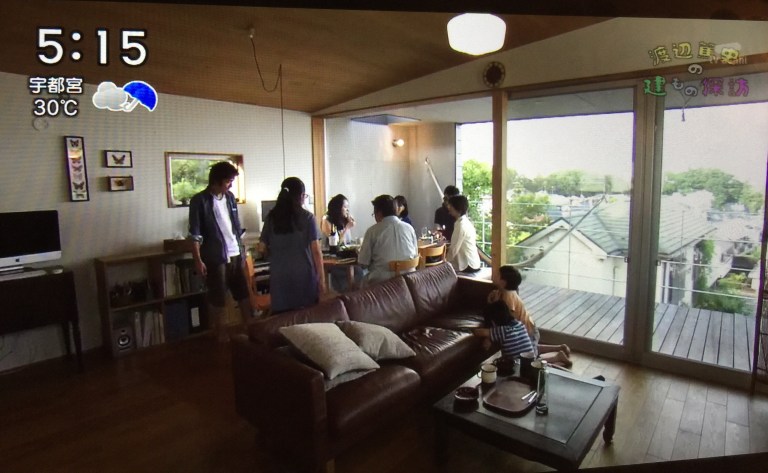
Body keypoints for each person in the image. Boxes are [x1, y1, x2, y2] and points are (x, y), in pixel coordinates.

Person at [188, 161, 253, 342]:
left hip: (235, 253)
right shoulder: (199, 201)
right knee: (218, 297)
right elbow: (195, 233)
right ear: (217, 181)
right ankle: (221, 333)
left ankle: (250, 327)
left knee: (243, 292)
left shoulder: (230, 197)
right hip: (215, 256)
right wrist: (198, 260)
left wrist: (242, 249)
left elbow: (235, 225)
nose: (230, 185)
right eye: (228, 181)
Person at [259, 177, 326, 313]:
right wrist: (322, 280)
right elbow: (316, 251)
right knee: (306, 316)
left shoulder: (271, 218)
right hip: (303, 275)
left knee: (283, 318)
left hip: (279, 276)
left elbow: (261, 248)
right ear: (301, 196)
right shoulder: (308, 218)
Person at [489, 265, 572, 367]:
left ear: (503, 282)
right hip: (529, 327)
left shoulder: (507, 296)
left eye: (497, 274)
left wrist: (495, 303)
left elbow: (507, 319)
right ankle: (559, 348)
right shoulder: (502, 292)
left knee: (529, 361)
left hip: (527, 330)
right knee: (532, 349)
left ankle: (557, 358)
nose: (494, 274)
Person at [357, 194, 418, 286]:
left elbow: (363, 263)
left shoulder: (372, 231)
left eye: (374, 214)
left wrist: (360, 253)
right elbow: (415, 254)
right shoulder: (409, 228)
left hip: (383, 283)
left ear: (379, 213)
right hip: (410, 279)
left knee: (361, 279)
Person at [320, 194, 362, 292]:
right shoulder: (326, 220)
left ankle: (351, 294)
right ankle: (346, 293)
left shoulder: (343, 221)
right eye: (345, 207)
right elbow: (335, 242)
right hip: (333, 257)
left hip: (344, 256)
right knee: (356, 271)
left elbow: (347, 242)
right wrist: (347, 227)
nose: (347, 210)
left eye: (348, 207)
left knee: (360, 269)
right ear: (338, 208)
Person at [444, 195, 481, 273]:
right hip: (473, 263)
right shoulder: (464, 222)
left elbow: (454, 249)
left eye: (451, 206)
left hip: (467, 265)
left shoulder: (461, 225)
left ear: (458, 209)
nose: (448, 208)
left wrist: (444, 264)